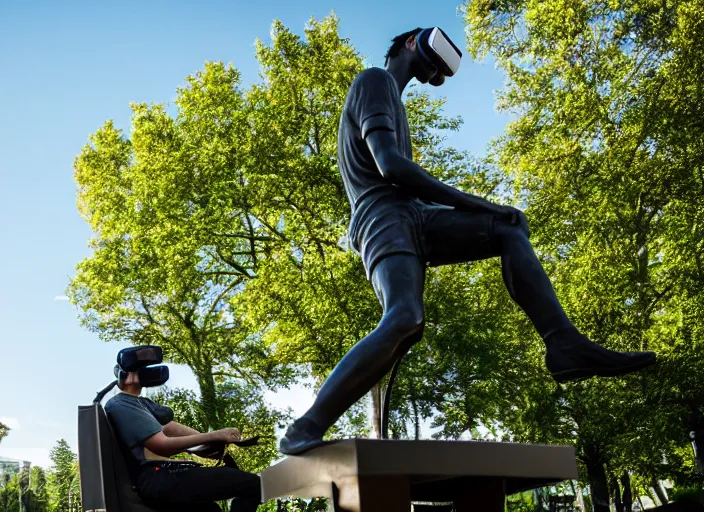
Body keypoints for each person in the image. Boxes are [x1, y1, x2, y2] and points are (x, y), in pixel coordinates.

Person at [279, 27, 657, 455]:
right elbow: (391, 168)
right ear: (409, 44)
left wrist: (486, 212)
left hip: (414, 214)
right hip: (382, 215)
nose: (434, 72)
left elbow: (405, 177)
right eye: (433, 59)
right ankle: (304, 428)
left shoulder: (394, 100)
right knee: (405, 318)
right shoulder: (374, 80)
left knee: (508, 228)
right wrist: (480, 203)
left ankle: (564, 345)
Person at [105, 368, 262, 512]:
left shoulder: (141, 404)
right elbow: (162, 445)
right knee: (253, 484)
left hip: (162, 476)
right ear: (126, 376)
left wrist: (211, 445)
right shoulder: (121, 404)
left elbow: (171, 429)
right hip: (156, 479)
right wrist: (216, 435)